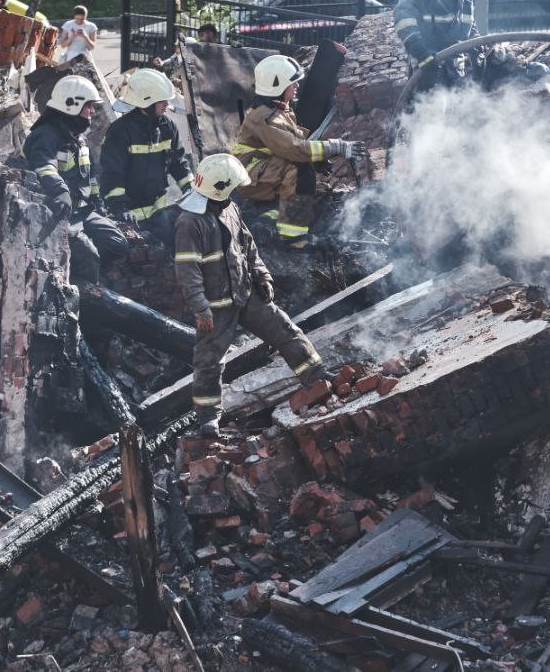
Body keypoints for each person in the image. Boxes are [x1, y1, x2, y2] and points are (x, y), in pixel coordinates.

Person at [175, 154, 332, 436]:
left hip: (246, 293)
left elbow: (247, 247)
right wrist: (201, 309)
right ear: (219, 187)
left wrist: (262, 276)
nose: (235, 190)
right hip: (215, 306)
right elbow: (187, 271)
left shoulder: (230, 208)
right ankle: (208, 420)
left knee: (285, 330)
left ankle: (316, 375)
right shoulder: (189, 223)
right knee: (209, 362)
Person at [233, 55, 365, 249]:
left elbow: (292, 145)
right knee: (298, 170)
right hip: (248, 176)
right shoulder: (265, 117)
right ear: (277, 86)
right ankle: (292, 236)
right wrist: (337, 146)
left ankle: (268, 216)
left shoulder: (280, 110)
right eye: (293, 83)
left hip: (263, 171)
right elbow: (295, 149)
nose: (296, 87)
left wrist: (317, 161)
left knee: (315, 190)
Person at [22, 75, 129, 282]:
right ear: (71, 105)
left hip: (82, 210)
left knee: (117, 243)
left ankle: (78, 273)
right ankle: (80, 288)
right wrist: (60, 191)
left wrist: (98, 204)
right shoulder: (44, 135)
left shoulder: (77, 138)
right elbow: (44, 166)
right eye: (88, 106)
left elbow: (89, 177)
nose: (92, 111)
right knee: (89, 256)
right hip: (54, 212)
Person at [101, 68, 192, 245]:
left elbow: (178, 163)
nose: (167, 105)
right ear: (146, 102)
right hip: (129, 213)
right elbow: (112, 172)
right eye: (162, 101)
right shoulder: (120, 131)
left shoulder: (168, 127)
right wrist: (118, 207)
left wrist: (191, 191)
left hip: (159, 210)